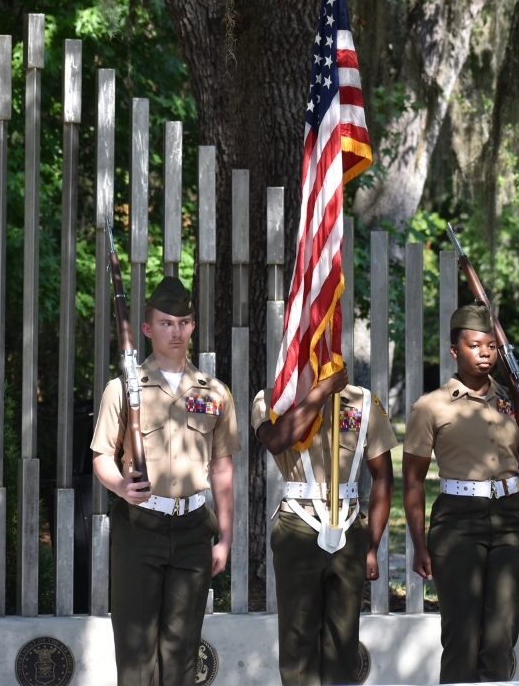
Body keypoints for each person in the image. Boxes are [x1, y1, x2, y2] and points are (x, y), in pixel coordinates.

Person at [91, 276, 239, 686]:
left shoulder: (215, 393)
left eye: (184, 322)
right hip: (140, 526)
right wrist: (120, 486)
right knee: (137, 656)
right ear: (147, 328)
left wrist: (224, 537)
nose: (176, 331)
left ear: (192, 327)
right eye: (166, 322)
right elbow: (102, 455)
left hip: (193, 529)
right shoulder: (123, 388)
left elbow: (223, 468)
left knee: (182, 654)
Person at [403, 304, 519, 684]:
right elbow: (412, 481)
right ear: (455, 350)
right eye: (475, 345)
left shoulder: (512, 402)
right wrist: (419, 545)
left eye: (491, 346)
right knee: (462, 632)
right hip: (457, 519)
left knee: (501, 632)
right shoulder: (430, 406)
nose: (485, 353)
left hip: (510, 517)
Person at [251, 369, 398, 685]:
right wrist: (319, 394)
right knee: (298, 641)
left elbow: (383, 475)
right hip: (298, 527)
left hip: (349, 529)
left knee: (343, 642)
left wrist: (371, 546)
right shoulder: (272, 400)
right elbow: (277, 441)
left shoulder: (362, 402)